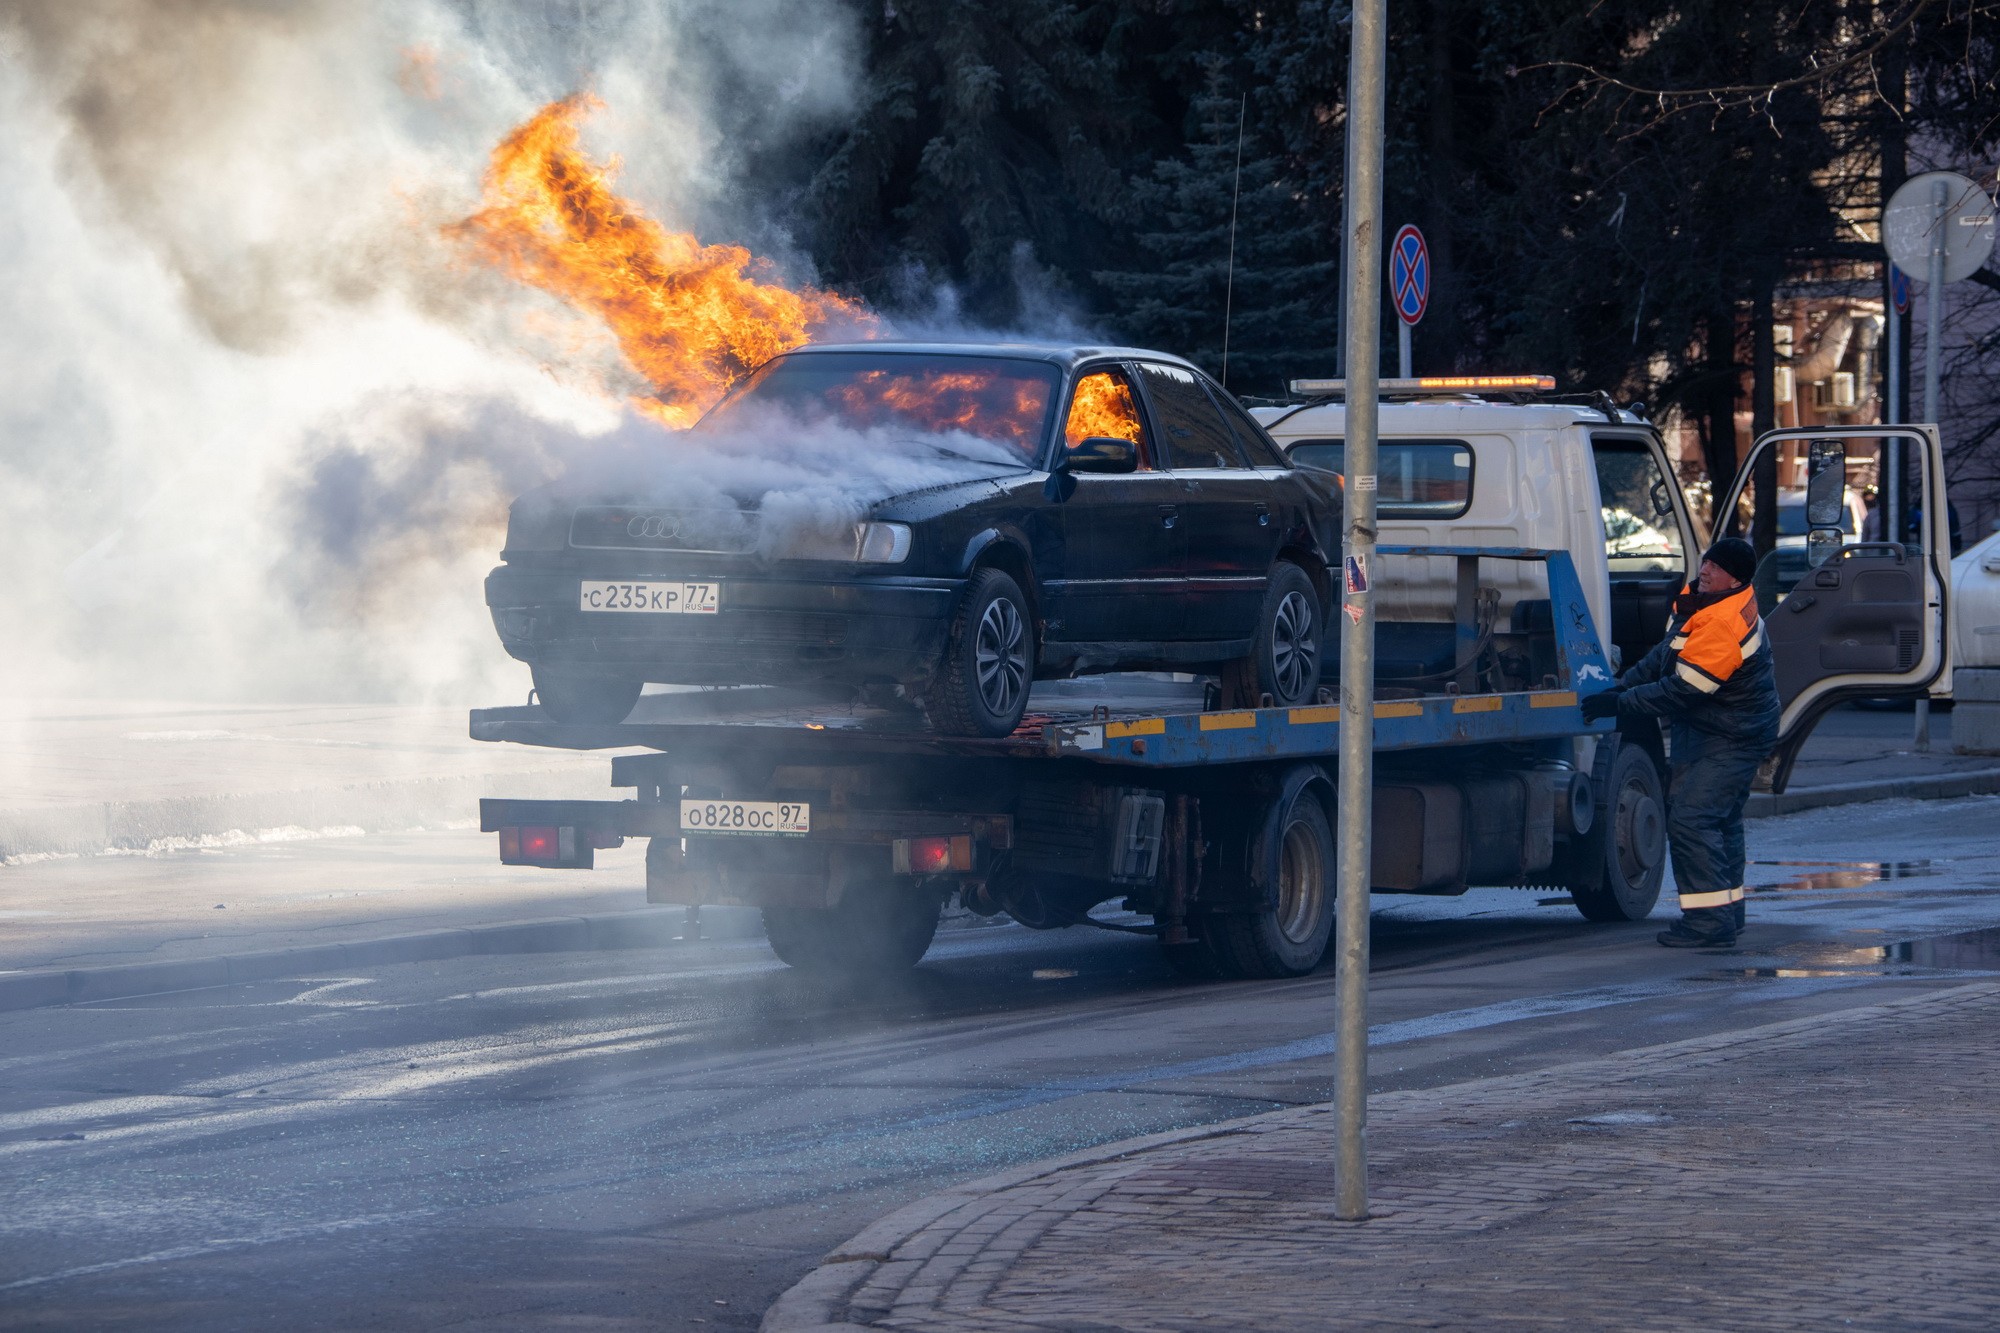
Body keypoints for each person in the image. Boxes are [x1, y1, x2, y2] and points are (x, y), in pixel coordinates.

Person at [1581, 538, 1780, 947]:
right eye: (1706, 561)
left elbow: (1683, 690)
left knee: (1693, 819)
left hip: (1730, 734)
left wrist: (1621, 703)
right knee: (1719, 820)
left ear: (1735, 579)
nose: (1704, 570)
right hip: (1718, 727)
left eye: (1715, 567)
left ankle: (1708, 925)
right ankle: (1727, 915)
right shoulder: (1705, 600)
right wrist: (1621, 687)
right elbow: (1666, 654)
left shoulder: (1724, 621)